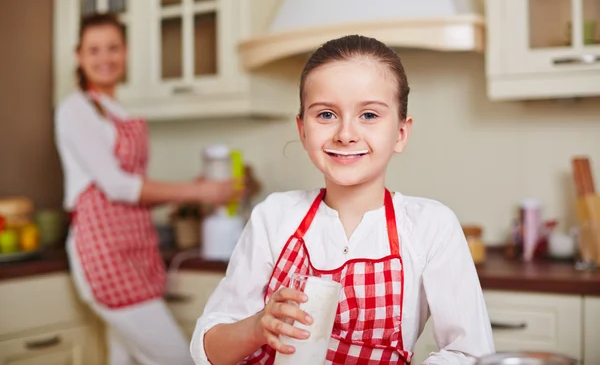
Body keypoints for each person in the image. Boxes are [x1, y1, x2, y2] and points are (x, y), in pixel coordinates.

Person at [190, 34, 495, 365]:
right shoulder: (274, 217)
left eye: (369, 115)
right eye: (325, 115)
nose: (346, 134)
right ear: (303, 130)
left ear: (401, 133)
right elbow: (209, 350)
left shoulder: (430, 227)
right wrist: (257, 327)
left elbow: (470, 353)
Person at [54, 12, 239, 365]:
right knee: (177, 359)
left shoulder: (116, 110)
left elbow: (128, 198)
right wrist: (199, 193)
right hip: (103, 253)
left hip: (133, 247)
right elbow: (118, 187)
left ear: (125, 52)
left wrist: (195, 188)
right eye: (94, 50)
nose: (104, 58)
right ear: (79, 56)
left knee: (122, 359)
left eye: (113, 48)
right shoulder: (75, 109)